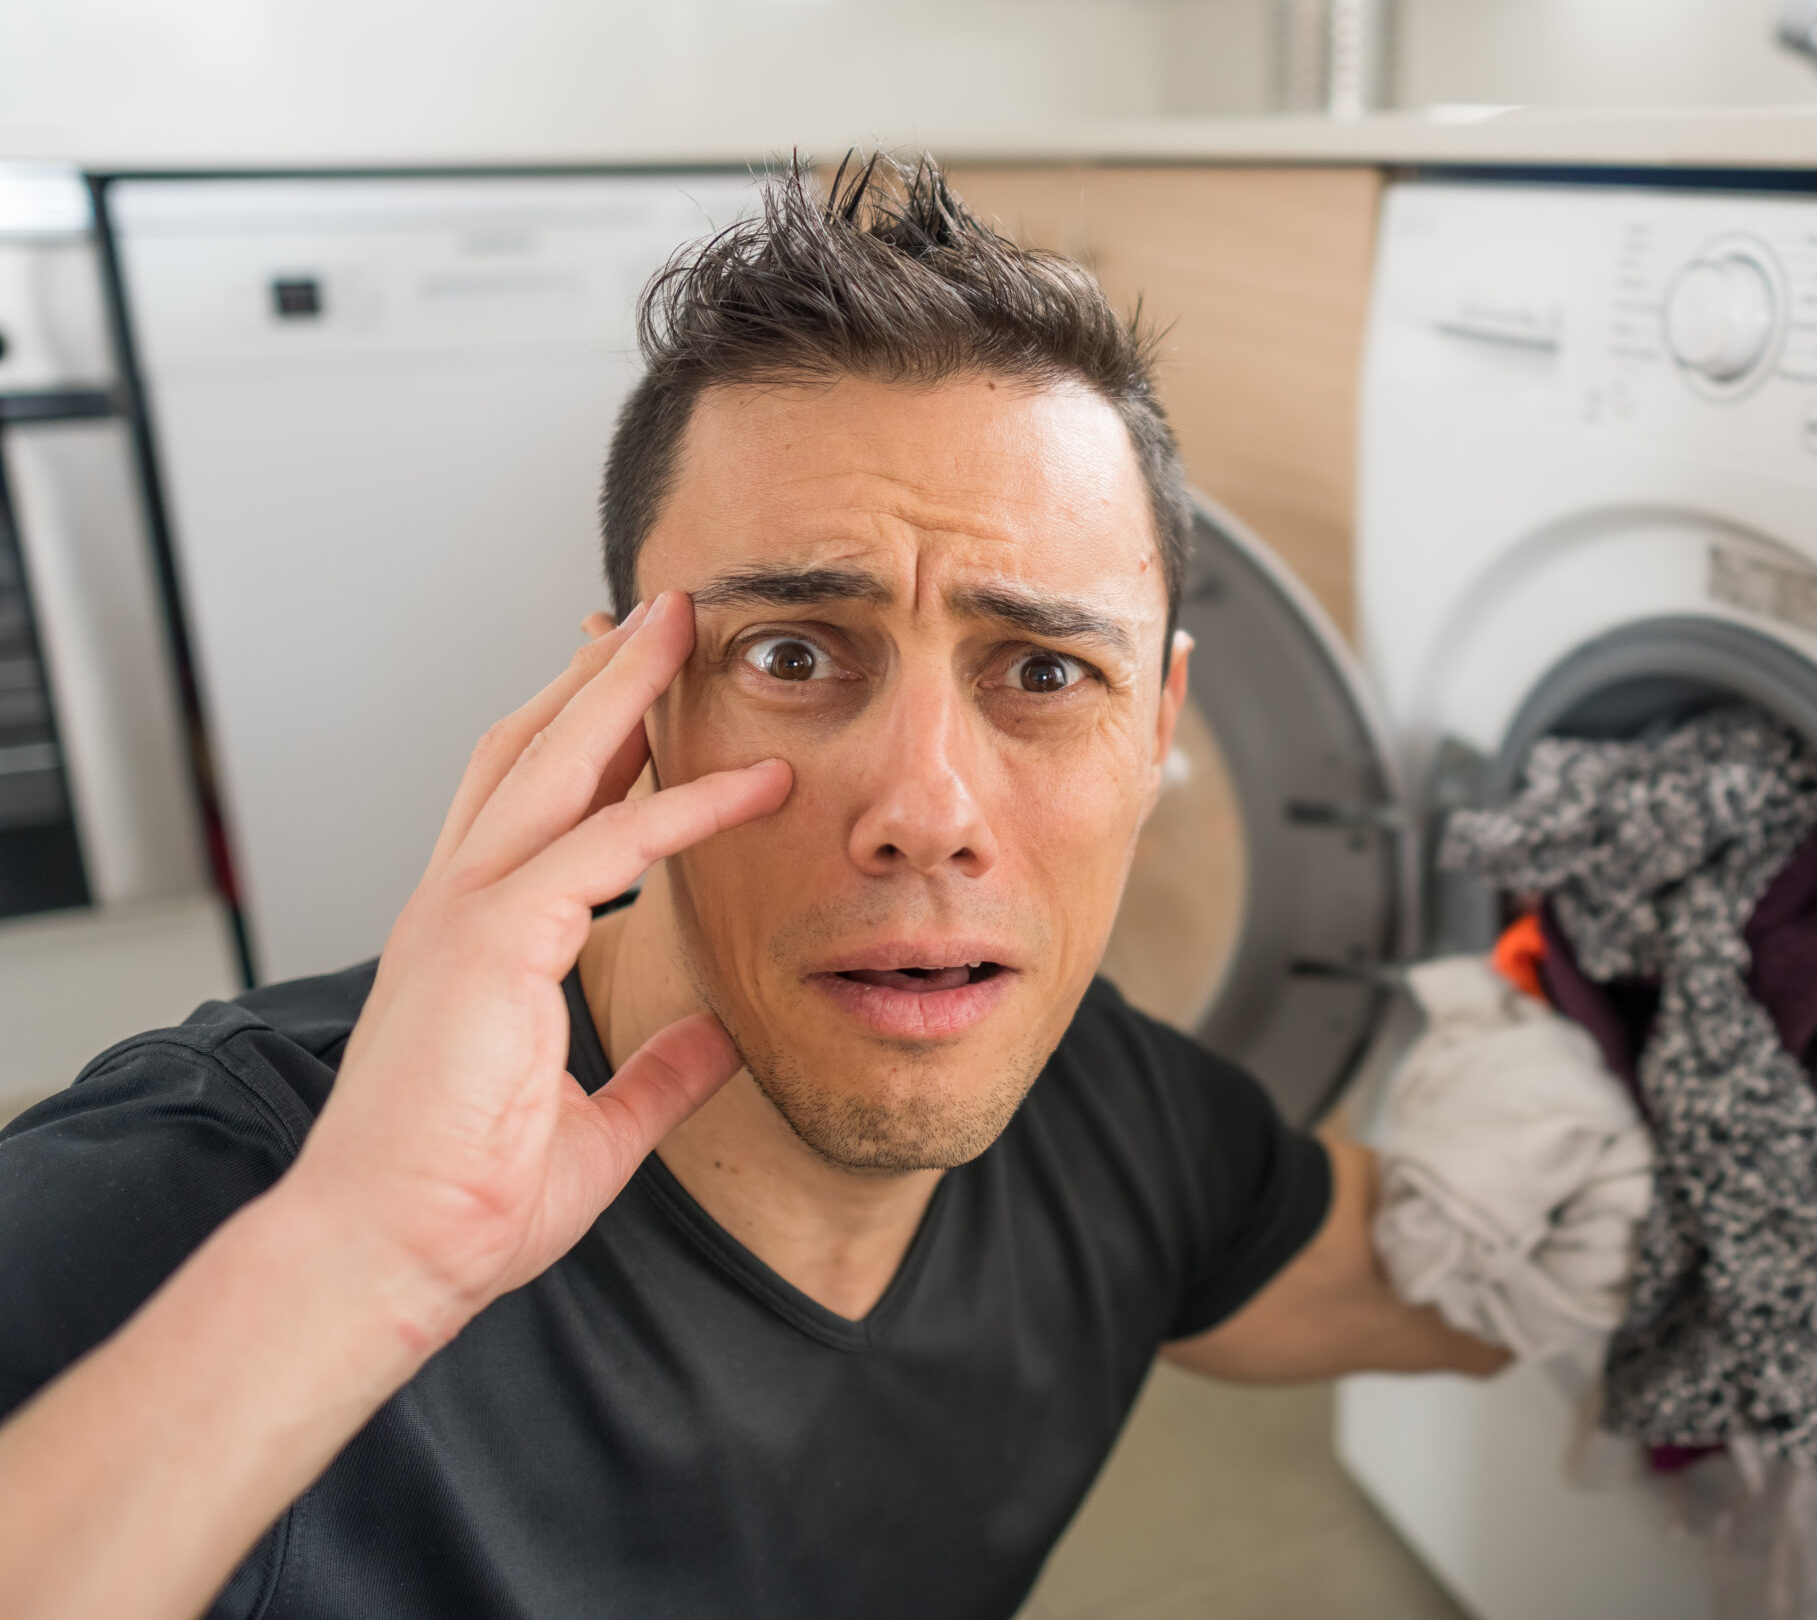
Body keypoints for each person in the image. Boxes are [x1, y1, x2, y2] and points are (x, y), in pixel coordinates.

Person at [0, 156, 1504, 1620]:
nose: (926, 812)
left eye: (1044, 671)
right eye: (793, 655)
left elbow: (1443, 1279)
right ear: (624, 705)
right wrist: (355, 1265)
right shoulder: (193, 1211)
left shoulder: (1122, 1118)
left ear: (1160, 730)